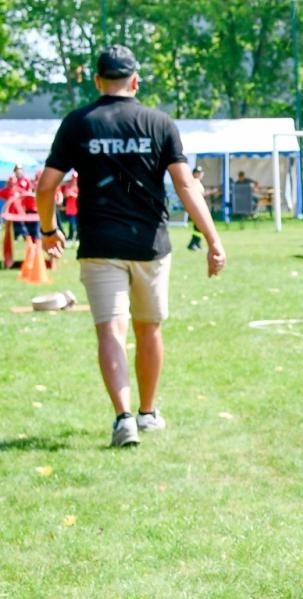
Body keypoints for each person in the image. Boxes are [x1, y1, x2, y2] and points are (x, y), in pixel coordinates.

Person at [37, 45, 226, 448]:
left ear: (97, 81)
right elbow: (185, 185)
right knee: (149, 329)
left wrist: (50, 231)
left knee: (110, 331)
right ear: (135, 81)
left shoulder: (78, 123)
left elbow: (46, 187)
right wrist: (213, 239)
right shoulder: (159, 122)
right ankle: (147, 412)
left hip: (100, 243)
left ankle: (123, 418)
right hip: (150, 246)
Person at [186, 164, 205, 250]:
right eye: (199, 172)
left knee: (199, 227)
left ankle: (196, 243)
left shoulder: (196, 183)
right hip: (196, 208)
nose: (201, 174)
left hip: (199, 208)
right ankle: (193, 244)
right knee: (198, 227)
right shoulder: (194, 183)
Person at [60, 171, 79, 242]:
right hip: (70, 209)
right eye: (73, 178)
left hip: (78, 208)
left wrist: (73, 194)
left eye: (75, 178)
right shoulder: (68, 186)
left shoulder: (80, 186)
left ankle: (78, 238)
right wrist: (69, 192)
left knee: (78, 225)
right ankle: (70, 238)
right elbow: (65, 195)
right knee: (72, 224)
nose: (74, 180)